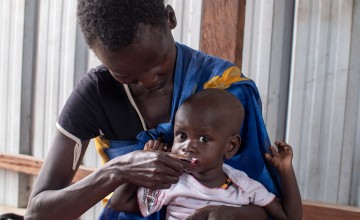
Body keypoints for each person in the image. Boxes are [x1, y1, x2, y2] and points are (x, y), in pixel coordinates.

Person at [25, 0, 278, 219]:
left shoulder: (224, 90)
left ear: (170, 19)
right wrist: (118, 171)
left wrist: (235, 213)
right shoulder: (97, 94)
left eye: (158, 64)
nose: (148, 82)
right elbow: (38, 214)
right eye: (126, 76)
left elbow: (270, 205)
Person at [107, 89, 302, 220]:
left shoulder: (242, 185)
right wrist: (144, 160)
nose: (187, 147)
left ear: (230, 146)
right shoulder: (170, 182)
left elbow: (290, 216)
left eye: (204, 139)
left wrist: (285, 170)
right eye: (181, 136)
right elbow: (119, 203)